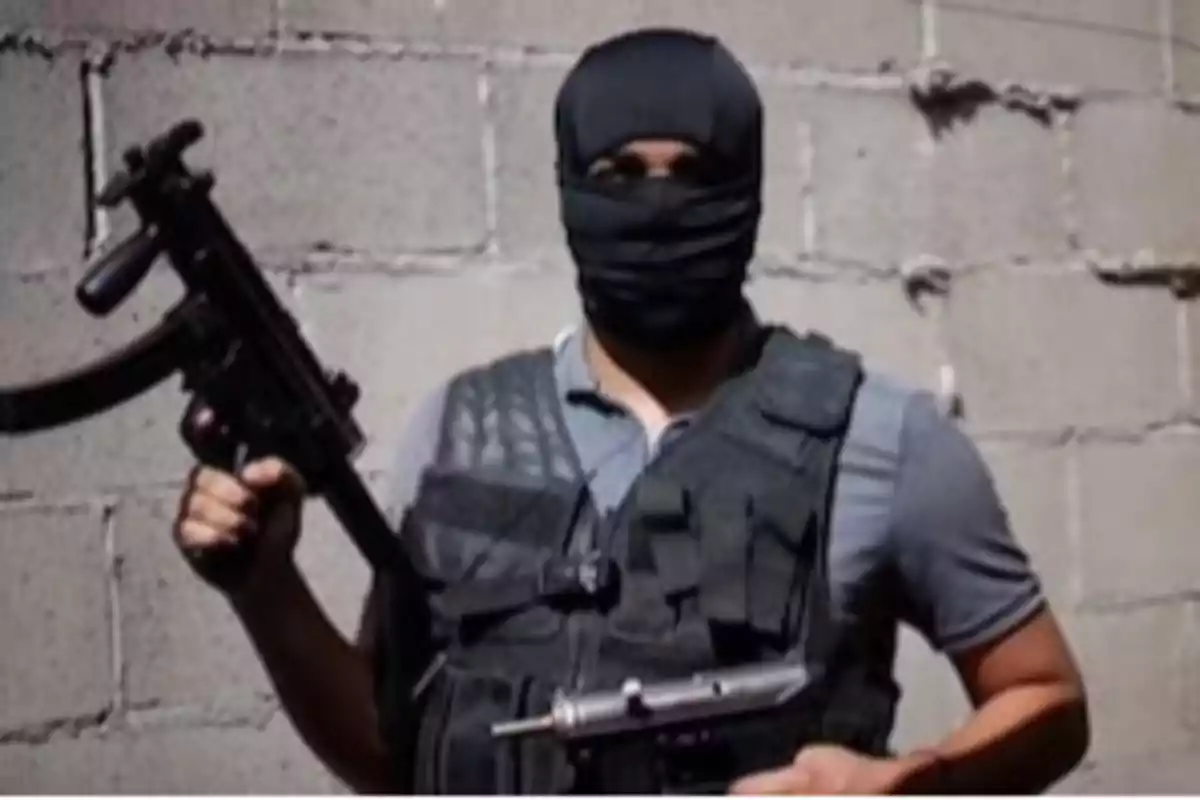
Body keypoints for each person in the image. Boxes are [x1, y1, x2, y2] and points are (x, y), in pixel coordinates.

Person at [173, 27, 1089, 794]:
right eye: (619, 172)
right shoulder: (456, 430)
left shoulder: (880, 435)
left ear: (750, 191)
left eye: (694, 171)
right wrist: (266, 589)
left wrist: (904, 782)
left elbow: (1050, 701)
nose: (658, 203)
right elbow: (391, 754)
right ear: (571, 189)